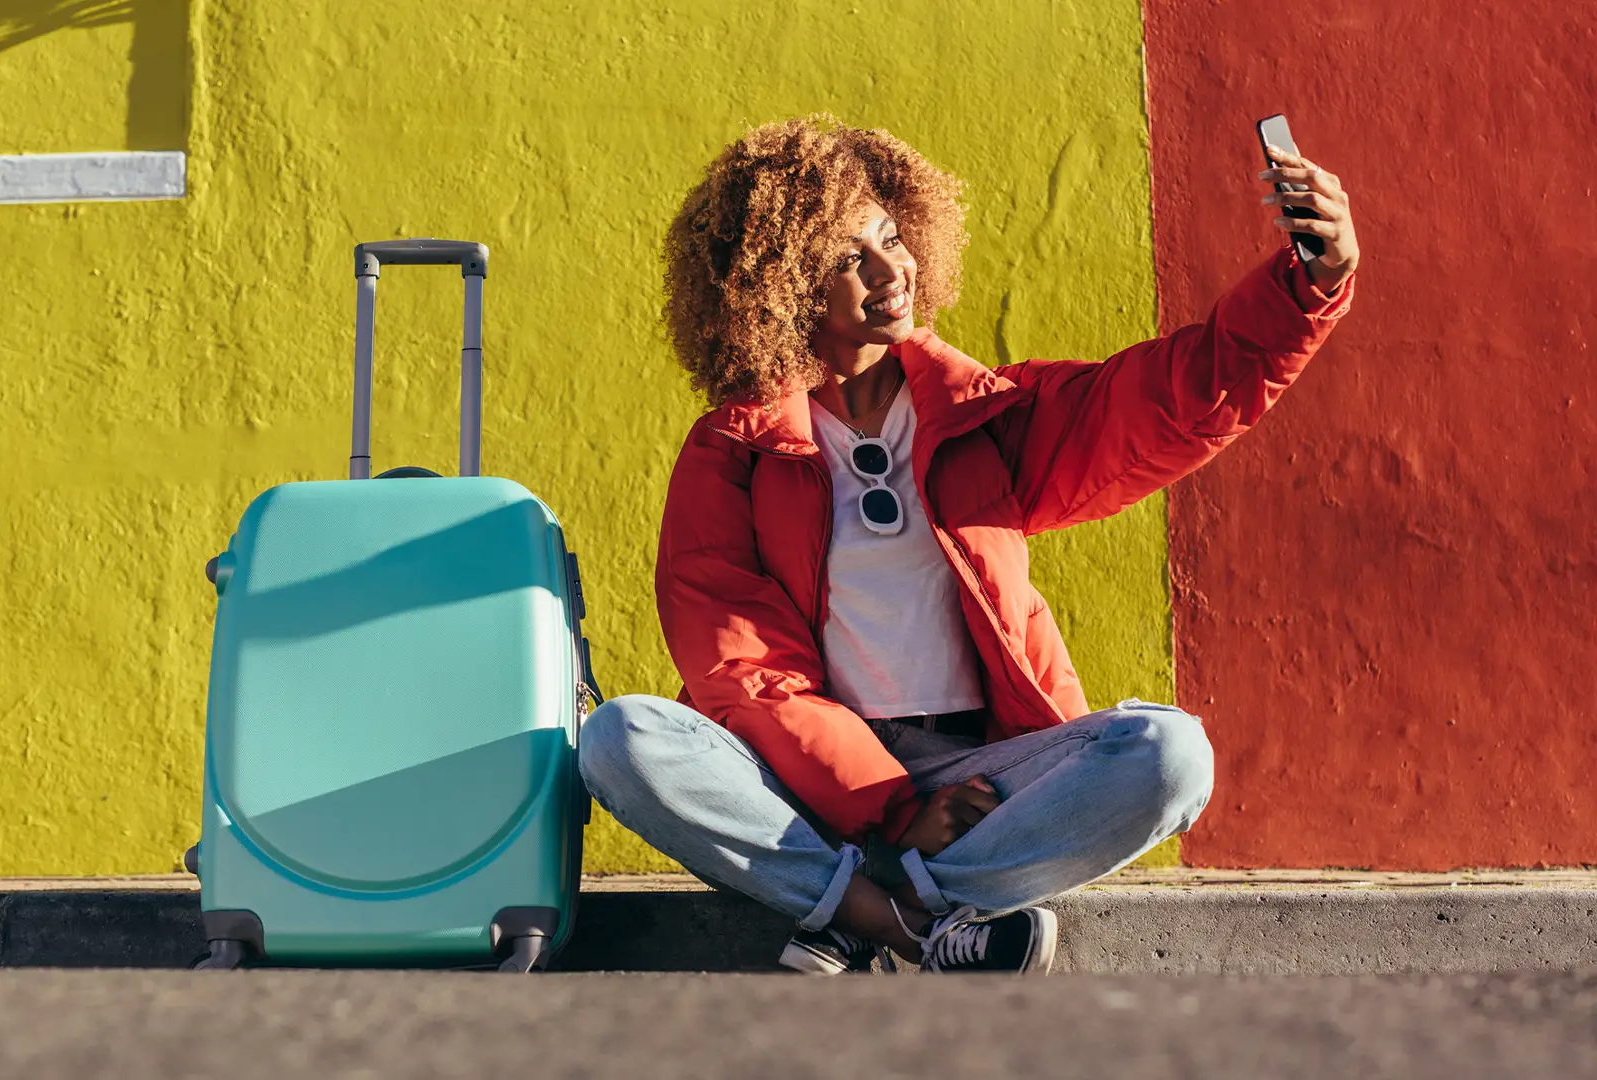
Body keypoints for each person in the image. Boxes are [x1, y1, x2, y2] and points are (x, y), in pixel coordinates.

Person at [578, 116, 1359, 974]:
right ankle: (917, 924)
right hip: (809, 792)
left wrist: (1309, 284)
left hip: (982, 782)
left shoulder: (987, 416)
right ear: (782, 286)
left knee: (1169, 754)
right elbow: (746, 670)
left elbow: (1172, 398)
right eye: (847, 258)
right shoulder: (732, 452)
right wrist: (890, 809)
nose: (891, 271)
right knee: (621, 736)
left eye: (890, 238)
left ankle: (871, 909)